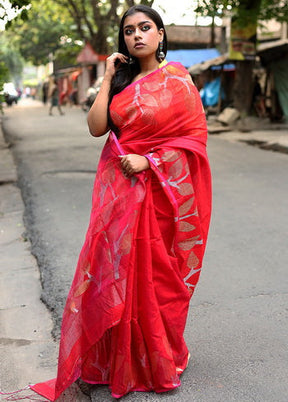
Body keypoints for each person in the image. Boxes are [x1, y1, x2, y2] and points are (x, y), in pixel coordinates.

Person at [31, 5, 212, 400]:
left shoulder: (177, 79)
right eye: (129, 31)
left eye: (145, 28)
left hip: (158, 191)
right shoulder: (122, 82)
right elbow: (97, 128)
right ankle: (116, 360)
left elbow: (194, 138)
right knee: (113, 272)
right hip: (119, 193)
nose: (137, 35)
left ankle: (155, 356)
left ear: (161, 34)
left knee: (156, 277)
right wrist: (109, 76)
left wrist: (150, 160)